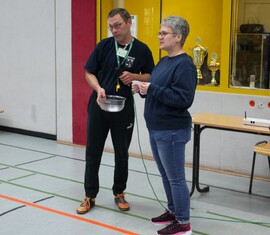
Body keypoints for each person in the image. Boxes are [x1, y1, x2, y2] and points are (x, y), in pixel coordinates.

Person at [76, 8, 155, 214]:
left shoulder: (142, 50)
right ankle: (89, 195)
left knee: (121, 153)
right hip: (99, 105)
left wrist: (136, 77)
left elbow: (151, 75)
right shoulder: (103, 46)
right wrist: (98, 88)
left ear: (129, 22)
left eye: (118, 25)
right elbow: (88, 73)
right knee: (93, 151)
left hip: (124, 107)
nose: (114, 30)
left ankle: (119, 192)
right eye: (111, 26)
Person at [132, 16, 196, 235]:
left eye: (164, 33)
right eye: (159, 32)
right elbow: (157, 90)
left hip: (172, 130)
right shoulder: (164, 61)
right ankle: (173, 211)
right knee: (167, 175)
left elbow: (182, 99)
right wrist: (143, 89)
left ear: (178, 37)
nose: (159, 36)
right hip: (157, 128)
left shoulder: (185, 65)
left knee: (176, 177)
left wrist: (151, 89)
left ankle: (183, 222)